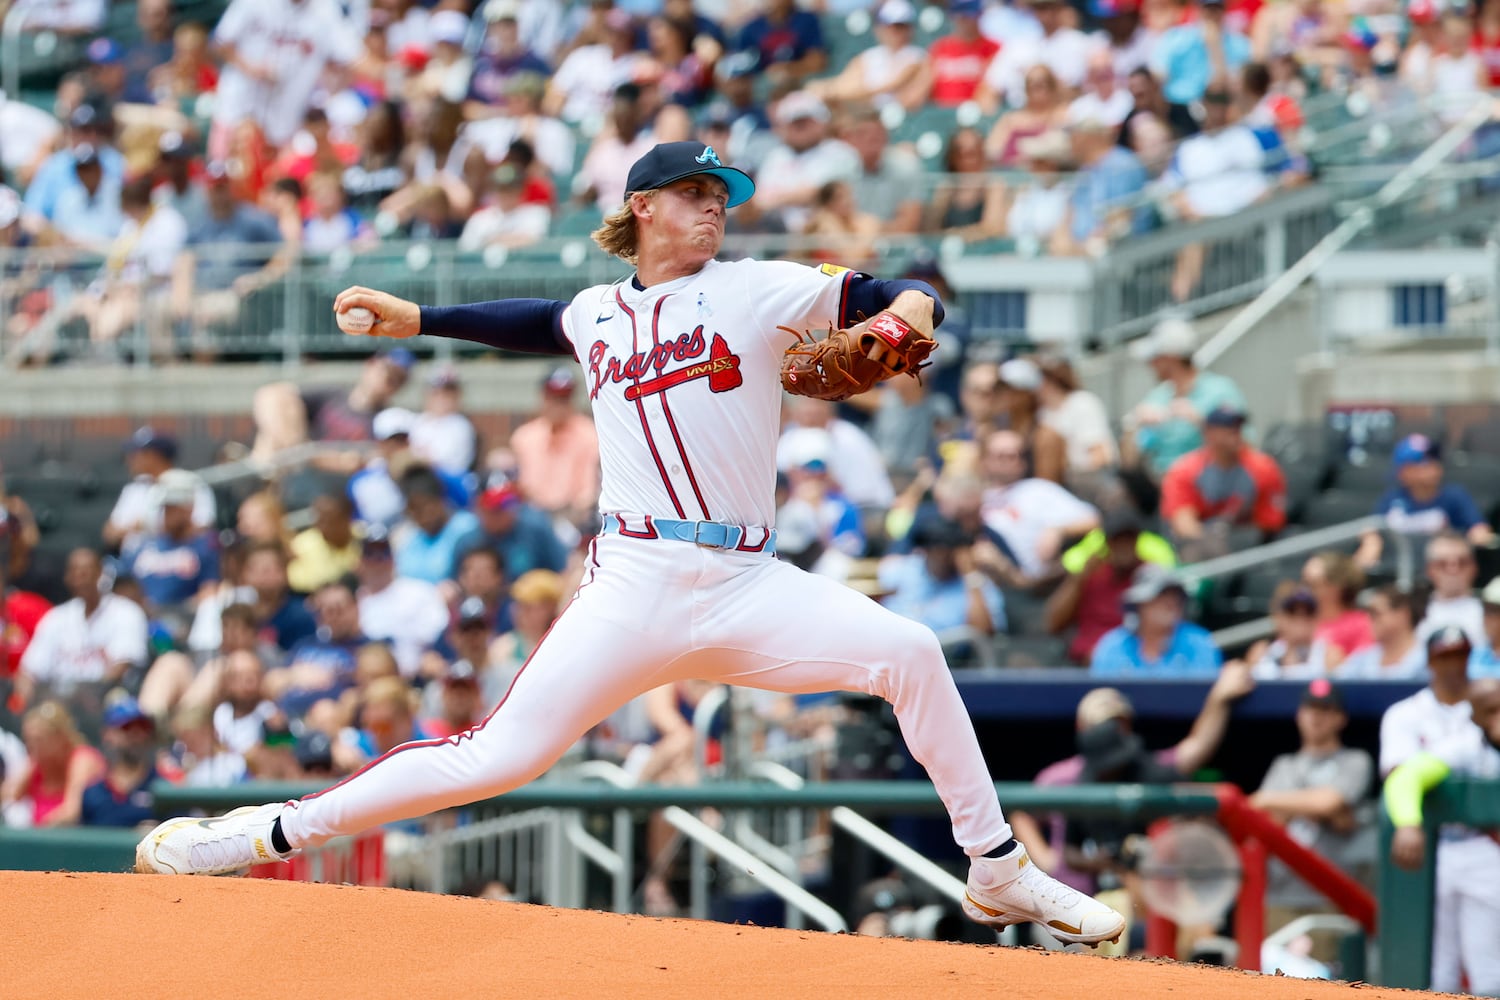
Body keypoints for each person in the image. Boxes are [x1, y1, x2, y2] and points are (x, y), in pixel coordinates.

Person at [138, 139, 1127, 947]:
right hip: (635, 578)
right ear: (645, 207)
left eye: (722, 197)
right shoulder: (599, 311)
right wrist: (422, 316)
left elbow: (891, 291)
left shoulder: (754, 288)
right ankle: (259, 832)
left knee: (910, 652)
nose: (715, 210)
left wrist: (911, 309)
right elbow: (538, 321)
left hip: (746, 578)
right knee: (494, 757)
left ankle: (998, 871)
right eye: (696, 195)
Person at [1385, 677, 1500, 996]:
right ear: (1474, 717)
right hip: (1453, 850)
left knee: (1490, 975)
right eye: (1490, 711)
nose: (1498, 718)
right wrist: (1408, 823)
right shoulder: (1464, 744)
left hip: (1491, 856)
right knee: (1441, 973)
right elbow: (1405, 778)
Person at [1252, 679, 1377, 933]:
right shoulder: (1283, 765)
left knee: (1329, 973)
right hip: (1280, 895)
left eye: (1326, 710)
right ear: (1299, 715)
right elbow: (1263, 818)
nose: (1317, 717)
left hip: (1333, 897)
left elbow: (1328, 802)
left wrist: (1272, 800)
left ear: (1340, 718)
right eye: (1311, 709)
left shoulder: (1355, 760)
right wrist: (1317, 809)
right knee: (1271, 971)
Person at [1121, 316, 1249, 485]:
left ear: (1171, 358)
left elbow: (1246, 448)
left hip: (1208, 485)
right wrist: (1134, 426)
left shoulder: (1220, 391)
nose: (1150, 364)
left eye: (1155, 358)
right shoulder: (1158, 396)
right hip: (1161, 485)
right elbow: (1128, 463)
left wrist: (1202, 421)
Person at [17, 548, 148, 708]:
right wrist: (27, 704)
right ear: (67, 578)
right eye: (75, 573)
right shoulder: (56, 617)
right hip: (58, 703)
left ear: (100, 573)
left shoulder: (126, 612)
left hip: (105, 700)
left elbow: (122, 667)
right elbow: (29, 671)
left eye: (86, 572)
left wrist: (86, 698)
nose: (81, 579)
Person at [1158, 405, 1287, 562]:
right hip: (1199, 544)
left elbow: (1270, 523)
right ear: (1209, 433)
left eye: (1238, 426)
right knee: (1196, 552)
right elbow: (1184, 525)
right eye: (1227, 427)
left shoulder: (1263, 467)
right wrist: (1214, 544)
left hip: (1244, 542)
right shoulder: (1186, 470)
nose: (1235, 432)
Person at [1047, 508, 1176, 665]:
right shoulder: (1091, 575)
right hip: (1089, 661)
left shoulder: (1150, 577)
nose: (1124, 547)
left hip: (1138, 661)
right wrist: (1079, 579)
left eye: (1129, 540)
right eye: (1118, 540)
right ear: (1108, 542)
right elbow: (1053, 624)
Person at [1356, 434, 1494, 569]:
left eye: (1434, 460)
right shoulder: (1392, 498)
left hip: (1442, 570)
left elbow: (1479, 529)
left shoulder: (1454, 496)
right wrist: (1371, 542)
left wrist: (1475, 538)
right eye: (1423, 463)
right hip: (1397, 568)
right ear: (1403, 472)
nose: (1432, 467)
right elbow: (1372, 528)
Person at [979, 429, 1100, 582]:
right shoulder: (977, 498)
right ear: (984, 461)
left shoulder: (1038, 490)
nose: (1008, 461)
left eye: (1014, 456)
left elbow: (1093, 519)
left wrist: (1058, 530)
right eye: (1001, 456)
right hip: (988, 576)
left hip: (1033, 581)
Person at [1091, 563, 1222, 676]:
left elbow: (1205, 697)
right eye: (1160, 595)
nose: (1171, 603)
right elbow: (1101, 697)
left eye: (1177, 596)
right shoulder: (1112, 645)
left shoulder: (1199, 642)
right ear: (1139, 604)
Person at [509, 368, 601, 528]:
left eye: (564, 398)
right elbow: (519, 487)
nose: (558, 405)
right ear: (543, 397)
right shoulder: (524, 436)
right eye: (553, 397)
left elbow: (588, 494)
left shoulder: (589, 434)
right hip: (531, 515)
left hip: (572, 516)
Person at [103, 426, 216, 551]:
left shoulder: (191, 483)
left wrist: (144, 526)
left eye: (137, 454)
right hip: (135, 563)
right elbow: (110, 534)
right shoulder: (134, 489)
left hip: (180, 559)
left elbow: (201, 528)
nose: (130, 459)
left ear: (155, 456)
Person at [0, 701, 106, 828]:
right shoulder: (36, 763)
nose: (31, 746)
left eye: (39, 740)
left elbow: (71, 812)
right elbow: (10, 796)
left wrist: (33, 837)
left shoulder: (82, 759)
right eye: (28, 740)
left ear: (61, 738)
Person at [80, 694, 166, 828]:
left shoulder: (163, 790)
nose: (136, 734)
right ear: (107, 734)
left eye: (143, 728)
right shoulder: (93, 794)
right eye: (126, 728)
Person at [1336, 584, 1427, 680]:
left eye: (1375, 613)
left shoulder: (1428, 660)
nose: (1369, 620)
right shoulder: (1361, 659)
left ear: (1403, 614)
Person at [1301, 551, 1373, 667]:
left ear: (1336, 587)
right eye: (1304, 583)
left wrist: (1340, 665)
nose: (1305, 592)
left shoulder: (1361, 624)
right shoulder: (1300, 623)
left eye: (1312, 585)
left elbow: (1365, 668)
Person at [1414, 533, 1484, 647]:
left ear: (1474, 567)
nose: (1453, 570)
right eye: (1443, 564)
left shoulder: (1493, 613)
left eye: (1462, 562)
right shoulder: (1411, 615)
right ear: (1429, 569)